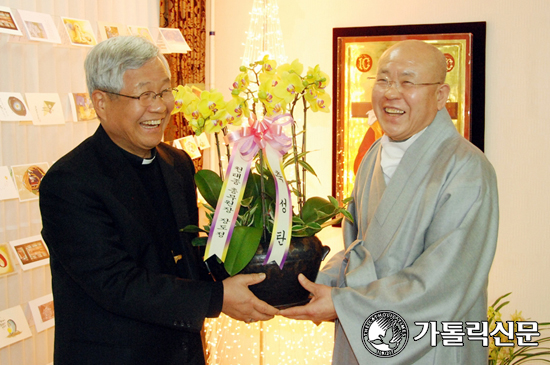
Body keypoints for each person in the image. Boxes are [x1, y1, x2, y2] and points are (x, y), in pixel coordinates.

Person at [39, 36, 278, 365]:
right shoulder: (70, 182)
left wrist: (263, 268)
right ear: (101, 102)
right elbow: (116, 284)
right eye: (144, 94)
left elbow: (190, 253)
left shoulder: (176, 163)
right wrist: (217, 298)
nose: (159, 106)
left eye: (165, 91)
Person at [281, 40, 499, 364]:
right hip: (364, 336)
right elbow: (358, 249)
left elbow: (442, 283)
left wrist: (343, 304)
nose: (391, 92)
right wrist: (306, 282)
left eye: (407, 82)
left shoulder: (466, 168)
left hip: (428, 348)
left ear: (441, 96)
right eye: (383, 79)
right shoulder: (373, 156)